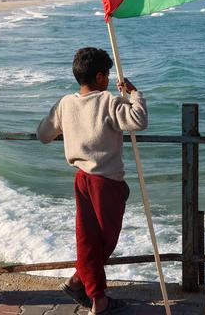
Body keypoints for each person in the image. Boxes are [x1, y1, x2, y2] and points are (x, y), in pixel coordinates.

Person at [37, 47, 148, 315]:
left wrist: (70, 128)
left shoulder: (66, 103)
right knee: (104, 241)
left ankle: (80, 283)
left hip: (81, 178)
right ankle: (96, 297)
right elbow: (138, 120)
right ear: (100, 77)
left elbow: (43, 134)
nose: (109, 79)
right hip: (106, 181)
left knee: (88, 239)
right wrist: (135, 94)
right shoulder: (109, 101)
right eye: (107, 74)